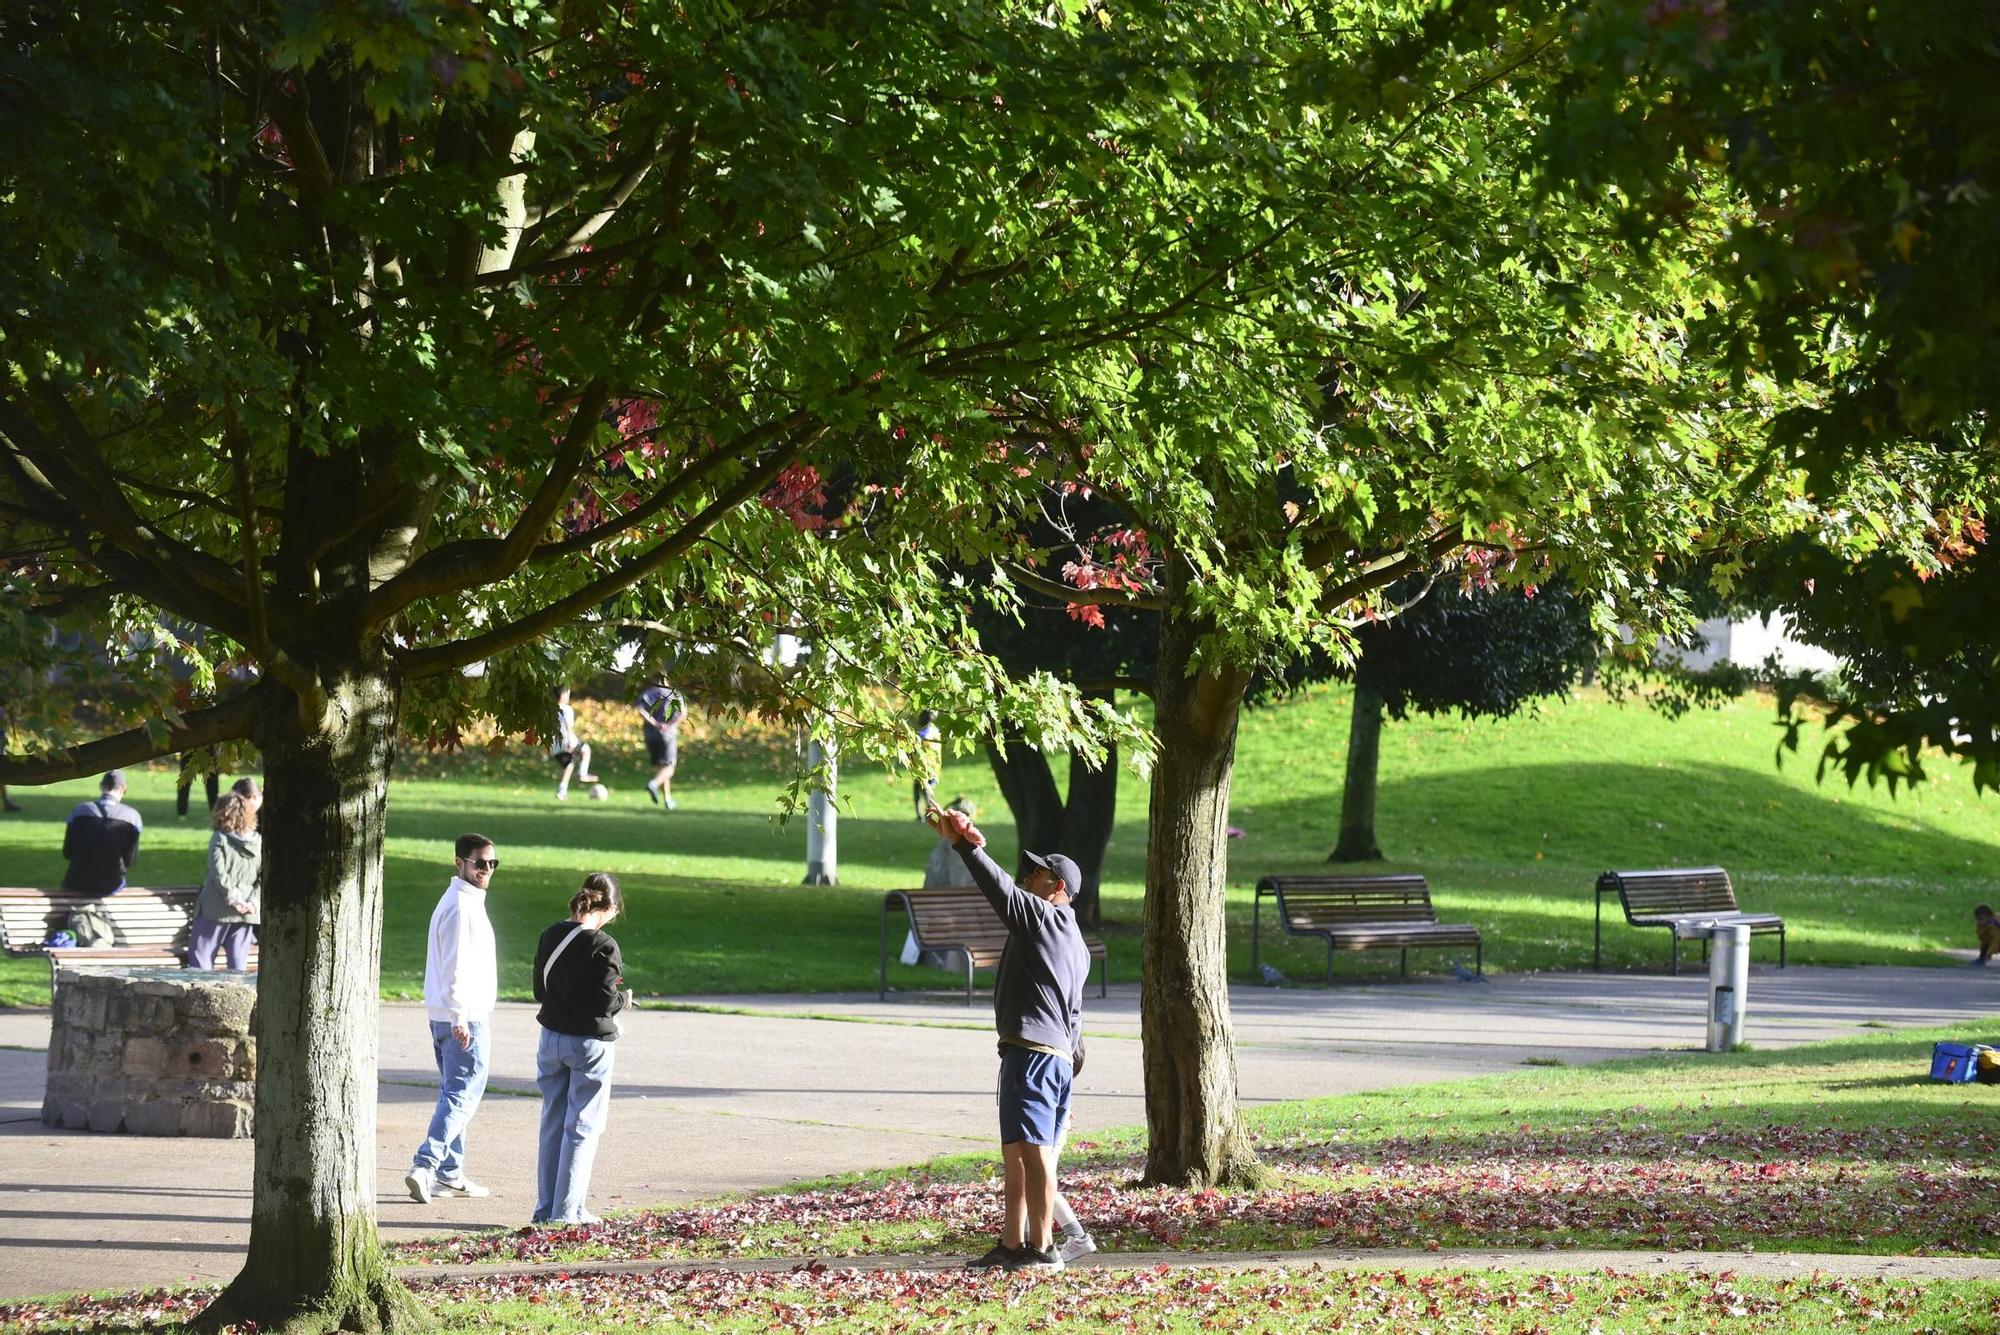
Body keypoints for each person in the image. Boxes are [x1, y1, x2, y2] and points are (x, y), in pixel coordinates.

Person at [931, 802, 1090, 1272]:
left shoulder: (1044, 918)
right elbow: (1075, 1013)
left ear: (1057, 888)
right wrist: (1068, 1069)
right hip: (1047, 1056)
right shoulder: (1076, 943)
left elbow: (999, 889)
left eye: (1037, 873)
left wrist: (967, 846)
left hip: (1034, 1054)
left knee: (1034, 1155)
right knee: (1018, 1154)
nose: (1027, 877)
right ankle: (1011, 1243)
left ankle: (1043, 1248)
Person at [406, 833, 501, 1205]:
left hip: (447, 1015)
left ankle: (449, 1173)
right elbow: (455, 966)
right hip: (464, 1017)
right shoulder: (461, 907)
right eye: (479, 863)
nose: (486, 870)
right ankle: (425, 1164)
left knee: (453, 1095)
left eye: (492, 863)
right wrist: (460, 1016)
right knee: (462, 1096)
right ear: (459, 862)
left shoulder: (460, 900)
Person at [531, 872, 631, 1226]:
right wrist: (624, 999)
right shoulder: (603, 945)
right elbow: (605, 1002)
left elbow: (540, 992)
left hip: (551, 1038)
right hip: (588, 1043)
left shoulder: (550, 934)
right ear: (611, 908)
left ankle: (545, 1209)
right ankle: (567, 1211)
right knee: (583, 1127)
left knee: (552, 1123)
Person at [187, 786, 260, 970]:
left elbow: (218, 873)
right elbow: (263, 877)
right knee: (238, 965)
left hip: (215, 909)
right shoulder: (258, 841)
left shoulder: (220, 838)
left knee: (201, 962)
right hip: (246, 912)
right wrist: (252, 902)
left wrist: (234, 899)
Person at [61, 771, 144, 896]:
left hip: (76, 882)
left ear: (101, 786)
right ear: (123, 789)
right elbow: (130, 861)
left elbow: (67, 853)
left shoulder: (79, 812)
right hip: (111, 885)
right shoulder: (132, 817)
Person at [635, 681, 685, 810]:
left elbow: (640, 710)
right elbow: (682, 713)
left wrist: (654, 723)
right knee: (669, 768)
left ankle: (668, 800)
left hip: (650, 734)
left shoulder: (648, 693)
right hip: (667, 735)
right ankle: (653, 784)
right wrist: (668, 725)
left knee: (661, 767)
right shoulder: (674, 693)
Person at [550, 686, 601, 801]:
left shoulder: (550, 710)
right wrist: (570, 740)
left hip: (554, 745)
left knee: (569, 766)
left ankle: (562, 791)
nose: (568, 697)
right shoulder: (566, 709)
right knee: (586, 749)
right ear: (562, 696)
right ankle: (582, 773)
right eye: (568, 694)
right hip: (567, 740)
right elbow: (568, 725)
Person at [175, 746, 220, 818]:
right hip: (201, 749)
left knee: (211, 783)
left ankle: (182, 813)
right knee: (186, 782)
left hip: (193, 749)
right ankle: (182, 812)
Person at [913, 710, 942, 820]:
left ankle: (928, 814)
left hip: (927, 766)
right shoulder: (935, 730)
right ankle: (921, 815)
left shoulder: (929, 730)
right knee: (919, 790)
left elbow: (921, 737)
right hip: (926, 766)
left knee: (926, 791)